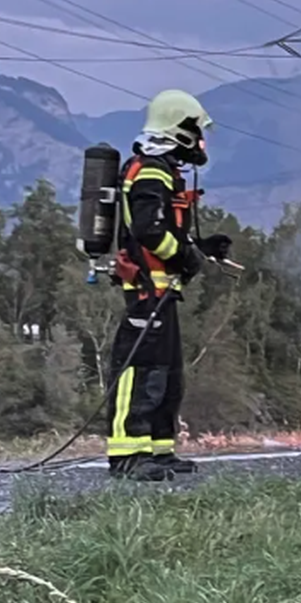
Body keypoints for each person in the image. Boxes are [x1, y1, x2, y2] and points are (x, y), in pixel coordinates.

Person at [105, 89, 231, 481]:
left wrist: (200, 248)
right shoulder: (152, 169)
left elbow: (167, 232)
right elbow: (149, 231)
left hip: (162, 292)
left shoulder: (164, 169)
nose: (200, 139)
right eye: (195, 129)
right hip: (147, 291)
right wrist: (184, 256)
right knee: (140, 369)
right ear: (179, 129)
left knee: (168, 373)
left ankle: (159, 449)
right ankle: (127, 454)